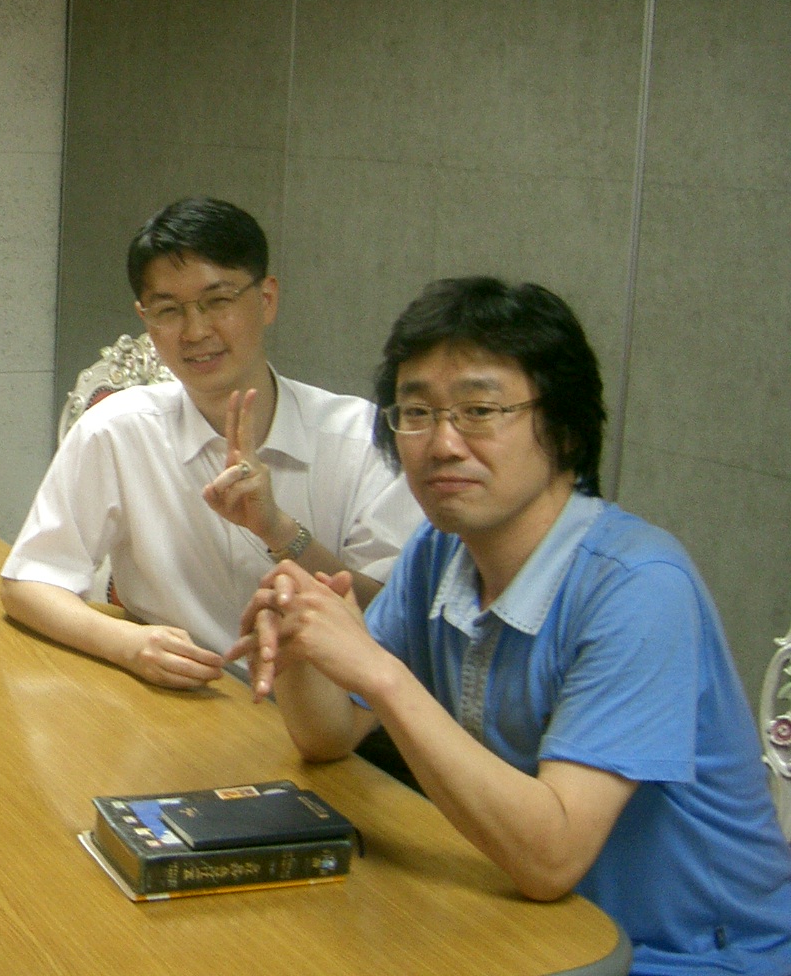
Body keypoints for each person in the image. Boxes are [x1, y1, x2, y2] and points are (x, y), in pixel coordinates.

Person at [229, 277, 791, 975]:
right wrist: (299, 643)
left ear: (564, 428)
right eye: (417, 412)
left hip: (684, 956)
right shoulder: (441, 551)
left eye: (480, 410)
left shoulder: (640, 588)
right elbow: (329, 737)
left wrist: (379, 671)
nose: (442, 443)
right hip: (531, 928)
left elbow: (551, 858)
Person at [1, 197, 421, 688]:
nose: (196, 331)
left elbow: (392, 617)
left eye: (218, 301)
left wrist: (279, 530)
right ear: (145, 318)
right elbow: (30, 581)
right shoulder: (116, 429)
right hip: (179, 695)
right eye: (168, 310)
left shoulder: (360, 438)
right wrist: (127, 644)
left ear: (266, 299)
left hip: (330, 711)